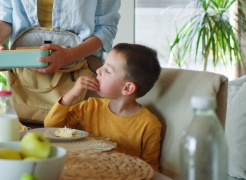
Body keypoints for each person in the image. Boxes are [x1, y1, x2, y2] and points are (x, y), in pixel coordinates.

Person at [44, 43, 162, 171]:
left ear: (127, 88)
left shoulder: (149, 124)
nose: (98, 70)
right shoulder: (90, 106)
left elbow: (151, 166)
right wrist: (72, 93)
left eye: (107, 70)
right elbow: (51, 126)